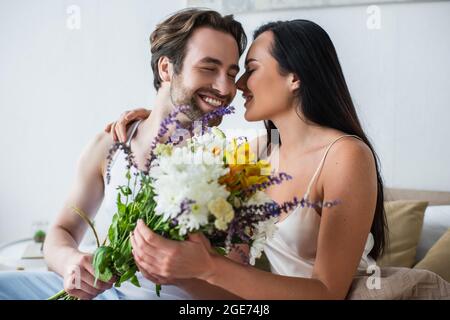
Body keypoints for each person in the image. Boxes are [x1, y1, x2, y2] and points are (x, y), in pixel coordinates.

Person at [109, 20, 450, 299]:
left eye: (251, 69)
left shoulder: (345, 155)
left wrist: (208, 267)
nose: (237, 84)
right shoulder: (257, 153)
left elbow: (328, 293)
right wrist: (149, 119)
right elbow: (190, 158)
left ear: (295, 77)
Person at [0, 8, 248, 300]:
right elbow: (61, 232)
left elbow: (236, 297)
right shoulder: (112, 143)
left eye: (232, 73)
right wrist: (70, 262)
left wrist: (181, 275)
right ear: (166, 69)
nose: (225, 87)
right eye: (209, 68)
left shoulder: (230, 166)